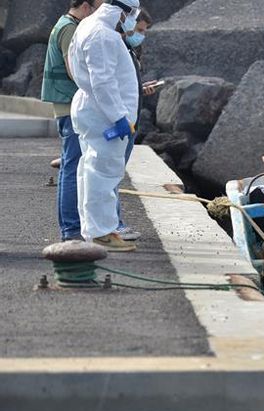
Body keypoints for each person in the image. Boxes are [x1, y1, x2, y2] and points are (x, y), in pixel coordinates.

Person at [67, 0, 140, 251]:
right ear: (123, 11)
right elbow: (103, 81)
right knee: (103, 174)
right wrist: (119, 117)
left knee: (90, 171)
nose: (132, 20)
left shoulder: (89, 25)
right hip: (104, 115)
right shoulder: (104, 35)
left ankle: (94, 229)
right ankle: (102, 232)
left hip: (93, 109)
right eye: (132, 14)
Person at [41, 0, 104, 242]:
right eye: (97, 6)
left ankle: (71, 228)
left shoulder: (64, 24)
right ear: (86, 6)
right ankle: (71, 229)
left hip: (66, 104)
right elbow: (73, 69)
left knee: (70, 164)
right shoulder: (70, 28)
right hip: (70, 105)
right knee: (72, 166)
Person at [112, 7, 154, 242]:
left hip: (129, 121)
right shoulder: (116, 47)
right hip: (121, 122)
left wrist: (140, 88)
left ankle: (113, 223)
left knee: (113, 175)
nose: (140, 36)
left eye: (144, 32)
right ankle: (114, 225)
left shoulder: (130, 50)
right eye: (139, 30)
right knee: (111, 175)